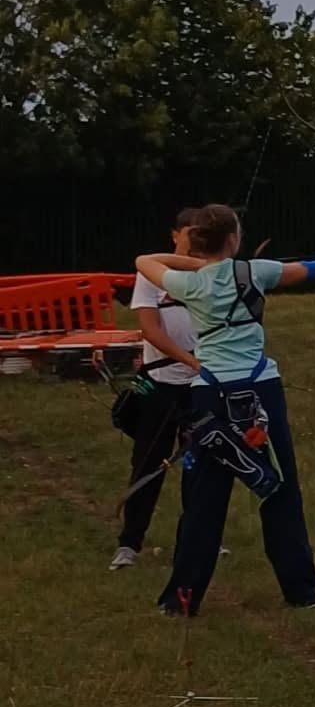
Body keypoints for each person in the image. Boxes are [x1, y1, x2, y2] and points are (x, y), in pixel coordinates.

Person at [135, 204, 315, 616]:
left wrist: (194, 262)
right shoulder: (256, 272)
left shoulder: (185, 282)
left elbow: (144, 261)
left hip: (211, 394)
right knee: (281, 487)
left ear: (196, 242)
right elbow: (313, 269)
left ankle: (182, 598)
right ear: (234, 239)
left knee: (205, 498)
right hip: (261, 390)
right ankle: (302, 591)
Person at [110, 207, 203, 570]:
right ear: (175, 235)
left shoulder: (209, 273)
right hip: (158, 382)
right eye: (190, 233)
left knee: (200, 462)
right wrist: (191, 360)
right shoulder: (153, 274)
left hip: (200, 386)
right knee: (149, 461)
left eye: (202, 236)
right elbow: (151, 330)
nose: (195, 241)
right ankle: (129, 543)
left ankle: (198, 536)